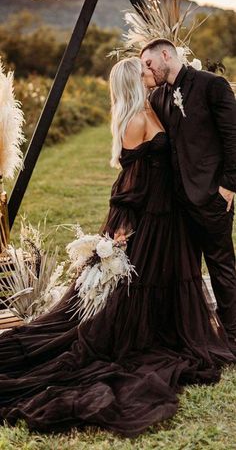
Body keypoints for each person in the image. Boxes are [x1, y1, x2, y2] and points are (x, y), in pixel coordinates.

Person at [0, 57, 234, 438]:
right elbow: (131, 186)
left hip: (169, 218)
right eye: (142, 71)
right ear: (132, 81)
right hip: (150, 222)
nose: (148, 74)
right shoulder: (135, 120)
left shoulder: (151, 105)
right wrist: (119, 230)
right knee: (133, 293)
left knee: (166, 282)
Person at [141, 39, 236, 352]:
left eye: (149, 63)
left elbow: (232, 137)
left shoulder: (212, 86)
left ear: (166, 54)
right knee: (187, 270)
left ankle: (232, 334)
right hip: (179, 201)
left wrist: (228, 186)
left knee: (221, 266)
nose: (148, 70)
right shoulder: (159, 96)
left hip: (212, 196)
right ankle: (195, 332)